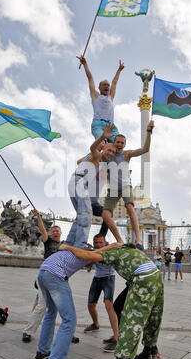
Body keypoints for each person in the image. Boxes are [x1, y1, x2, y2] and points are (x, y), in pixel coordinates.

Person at [59, 243, 164, 359]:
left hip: (143, 280)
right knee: (153, 316)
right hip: (156, 276)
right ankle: (148, 352)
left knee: (131, 320)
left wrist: (68, 248)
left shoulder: (112, 254)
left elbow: (89, 255)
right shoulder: (125, 246)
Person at [23, 211, 79, 345]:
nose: (54, 232)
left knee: (64, 307)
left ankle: (69, 333)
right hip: (46, 277)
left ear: (60, 233)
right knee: (42, 306)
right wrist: (38, 217)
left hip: (60, 278)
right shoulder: (48, 242)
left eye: (56, 231)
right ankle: (28, 332)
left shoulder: (65, 245)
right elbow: (42, 229)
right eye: (53, 231)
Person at [102, 121, 155, 249]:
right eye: (117, 142)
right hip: (113, 189)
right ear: (114, 142)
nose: (119, 144)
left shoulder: (127, 154)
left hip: (125, 186)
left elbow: (145, 149)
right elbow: (96, 151)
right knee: (105, 215)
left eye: (122, 143)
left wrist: (148, 132)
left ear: (124, 144)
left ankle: (139, 240)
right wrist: (103, 136)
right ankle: (119, 240)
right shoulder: (108, 153)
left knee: (130, 208)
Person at [64, 123, 117, 248]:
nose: (110, 153)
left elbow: (79, 161)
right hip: (79, 182)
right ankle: (80, 244)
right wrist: (102, 137)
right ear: (102, 149)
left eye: (113, 152)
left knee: (84, 215)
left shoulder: (102, 163)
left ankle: (69, 242)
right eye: (108, 150)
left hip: (79, 186)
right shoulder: (97, 155)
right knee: (86, 214)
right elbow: (93, 148)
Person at [83, 234, 118, 353]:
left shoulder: (111, 250)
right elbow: (88, 266)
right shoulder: (94, 251)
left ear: (105, 243)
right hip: (97, 278)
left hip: (109, 278)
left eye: (100, 242)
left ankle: (116, 337)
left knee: (109, 305)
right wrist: (90, 258)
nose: (98, 244)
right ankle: (95, 324)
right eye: (96, 242)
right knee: (90, 305)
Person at [77, 55, 124, 142]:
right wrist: (85, 64)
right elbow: (90, 78)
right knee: (101, 144)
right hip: (98, 124)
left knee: (118, 143)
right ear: (99, 87)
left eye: (108, 85)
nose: (107, 86)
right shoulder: (95, 95)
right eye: (104, 85)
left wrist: (119, 70)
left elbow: (114, 82)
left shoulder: (111, 97)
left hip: (110, 125)